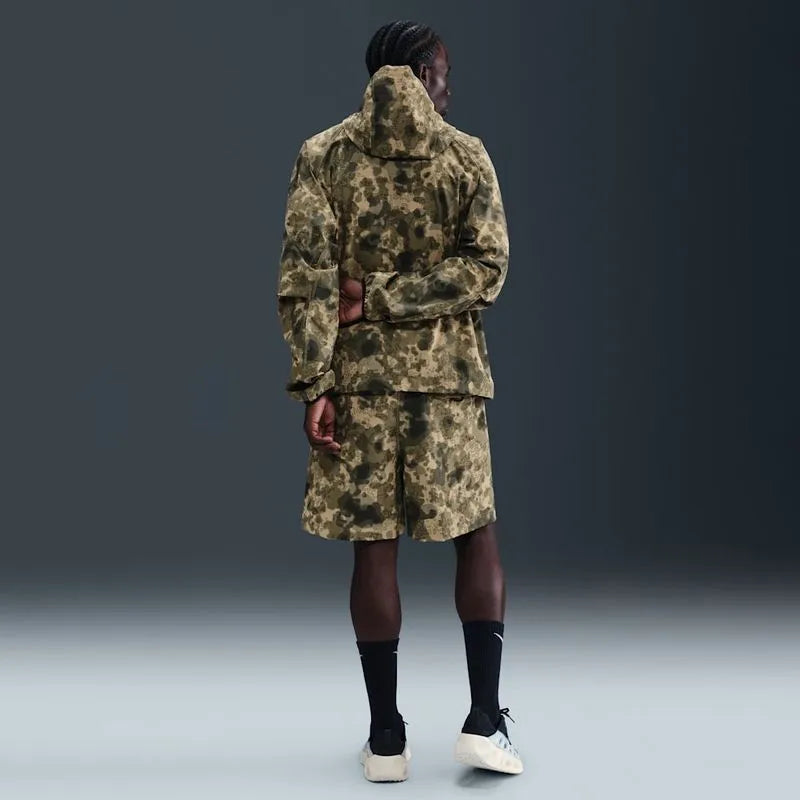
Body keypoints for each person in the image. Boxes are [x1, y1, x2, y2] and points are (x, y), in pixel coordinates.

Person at [276, 20, 522, 782]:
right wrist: (405, 297)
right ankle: (485, 721)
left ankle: (386, 738)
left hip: (360, 387)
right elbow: (486, 268)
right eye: (441, 74)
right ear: (417, 75)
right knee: (475, 536)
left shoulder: (324, 156)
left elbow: (306, 281)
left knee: (373, 548)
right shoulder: (465, 155)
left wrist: (316, 381)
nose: (447, 88)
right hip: (449, 384)